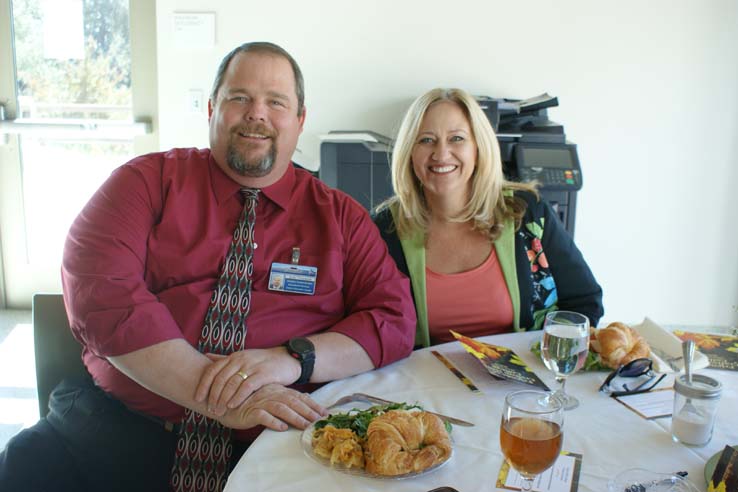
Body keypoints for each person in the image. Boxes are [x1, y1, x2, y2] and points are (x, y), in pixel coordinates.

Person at [0, 42, 415, 492]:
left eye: (276, 102)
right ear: (214, 108)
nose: (257, 114)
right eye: (240, 98)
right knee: (21, 469)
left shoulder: (340, 217)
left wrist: (295, 359)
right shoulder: (144, 183)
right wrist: (217, 395)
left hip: (276, 446)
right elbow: (103, 297)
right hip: (119, 425)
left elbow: (393, 321)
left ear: (300, 120)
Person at [373, 88, 602, 348]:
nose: (441, 153)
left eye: (457, 138)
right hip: (428, 382)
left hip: (525, 381)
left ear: (478, 148)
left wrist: (550, 360)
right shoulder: (385, 229)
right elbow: (370, 322)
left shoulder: (526, 213)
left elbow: (585, 302)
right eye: (426, 140)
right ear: (409, 152)